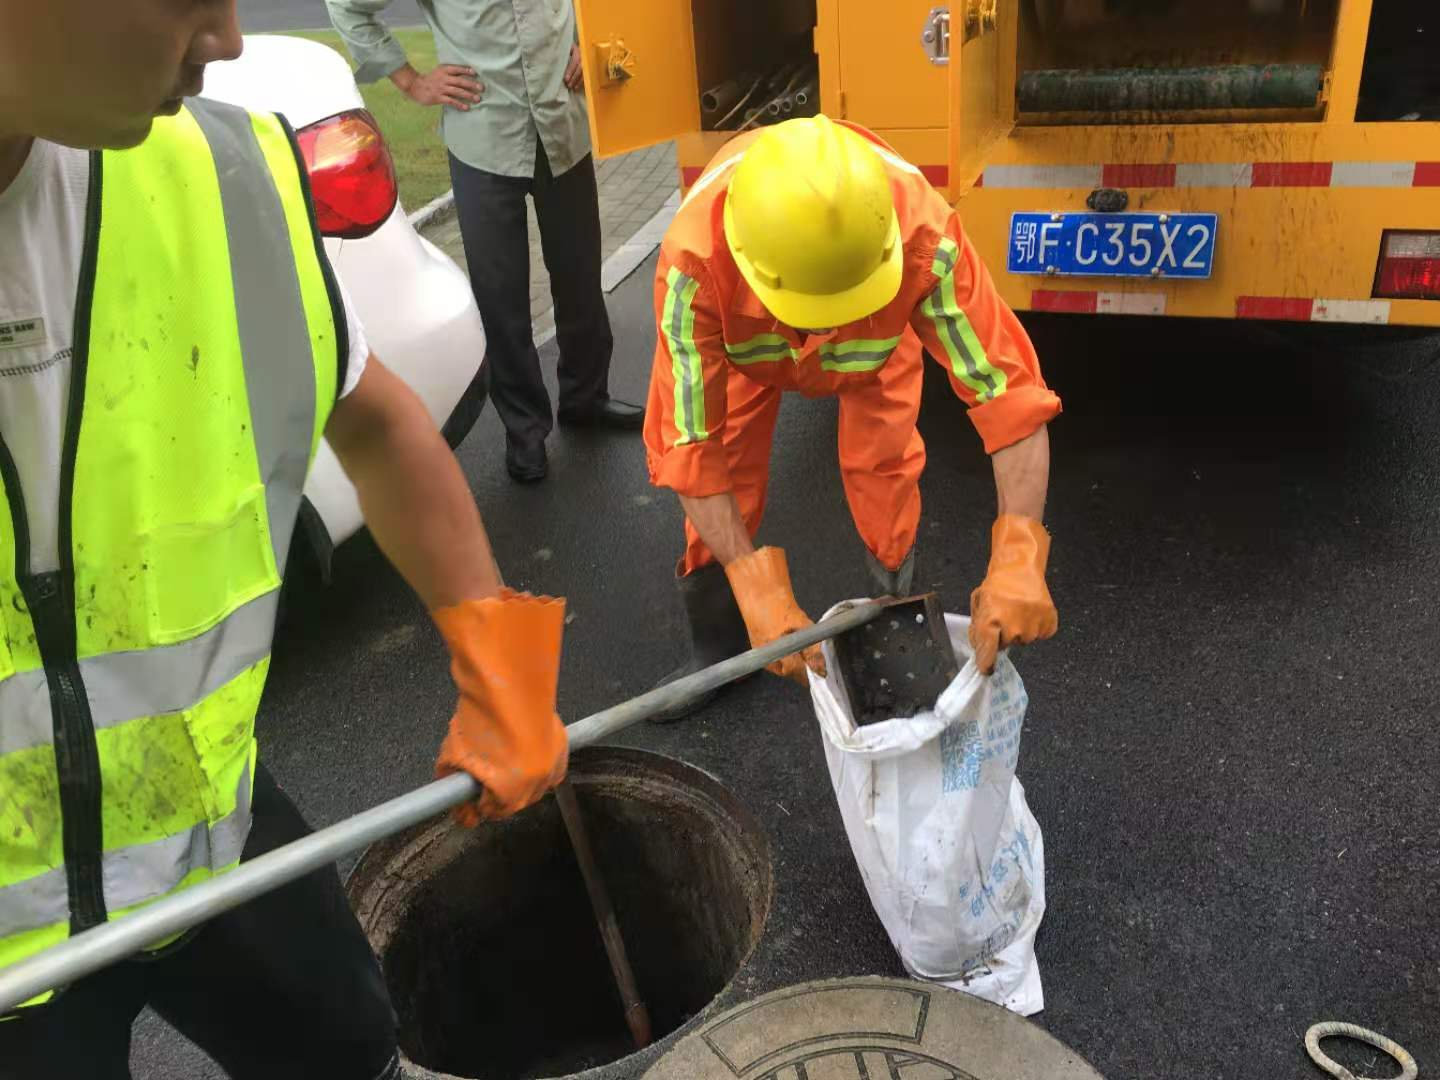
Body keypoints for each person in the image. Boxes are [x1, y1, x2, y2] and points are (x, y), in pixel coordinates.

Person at [0, 2, 568, 1076]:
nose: (225, 38)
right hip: (10, 973)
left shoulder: (214, 176)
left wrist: (507, 672)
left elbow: (376, 423)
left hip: (211, 823)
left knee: (352, 1046)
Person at [646, 115, 1061, 718]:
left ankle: (893, 622)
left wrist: (1022, 553)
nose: (827, 331)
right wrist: (751, 581)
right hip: (747, 359)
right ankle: (720, 645)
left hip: (879, 352)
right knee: (727, 467)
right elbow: (691, 448)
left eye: (841, 308)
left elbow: (1011, 398)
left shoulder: (926, 237)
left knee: (885, 467)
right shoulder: (694, 265)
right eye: (813, 314)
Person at [326, 0, 644, 484]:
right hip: (484, 137)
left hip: (563, 123)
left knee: (580, 275)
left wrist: (588, 34)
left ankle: (586, 398)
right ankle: (525, 432)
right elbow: (348, 6)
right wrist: (412, 82)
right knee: (502, 297)